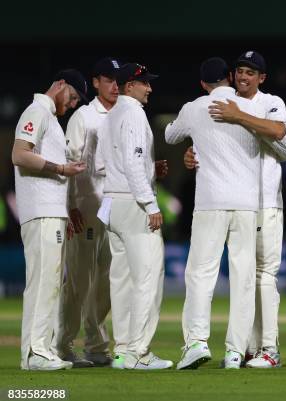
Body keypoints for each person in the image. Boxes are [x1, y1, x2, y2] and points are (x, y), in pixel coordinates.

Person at [186, 51, 286, 368]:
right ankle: (245, 346)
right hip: (234, 203)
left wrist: (241, 119)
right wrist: (191, 156)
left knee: (263, 276)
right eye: (240, 71)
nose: (244, 77)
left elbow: (282, 138)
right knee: (243, 277)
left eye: (251, 72)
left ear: (262, 78)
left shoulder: (270, 102)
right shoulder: (219, 105)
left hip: (266, 203)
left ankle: (269, 348)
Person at [166, 57, 267, 370]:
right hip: (247, 204)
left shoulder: (194, 107)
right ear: (230, 78)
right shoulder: (251, 108)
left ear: (202, 84)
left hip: (211, 201)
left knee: (201, 273)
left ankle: (196, 342)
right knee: (244, 277)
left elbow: (170, 135)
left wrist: (196, 143)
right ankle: (235, 351)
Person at [98, 63, 172, 370]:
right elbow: (131, 161)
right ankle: (139, 353)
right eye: (144, 83)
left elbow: (105, 164)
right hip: (133, 205)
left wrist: (151, 171)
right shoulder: (133, 113)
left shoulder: (111, 114)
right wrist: (150, 203)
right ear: (129, 85)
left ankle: (123, 350)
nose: (149, 88)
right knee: (148, 279)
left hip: (113, 203)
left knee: (123, 281)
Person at [12, 69, 87, 370]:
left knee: (51, 282)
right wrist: (61, 168)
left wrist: (64, 209)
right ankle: (34, 353)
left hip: (51, 212)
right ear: (60, 85)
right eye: (71, 97)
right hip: (41, 212)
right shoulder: (37, 111)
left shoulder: (50, 118)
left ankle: (40, 350)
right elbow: (19, 154)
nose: (71, 105)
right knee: (43, 282)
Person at [54, 58, 121, 368]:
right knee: (79, 281)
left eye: (118, 79)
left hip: (115, 208)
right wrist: (69, 206)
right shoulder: (83, 116)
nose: (115, 85)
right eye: (108, 79)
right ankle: (62, 346)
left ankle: (96, 346)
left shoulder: (125, 114)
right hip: (87, 208)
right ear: (96, 82)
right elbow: (69, 162)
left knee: (107, 280)